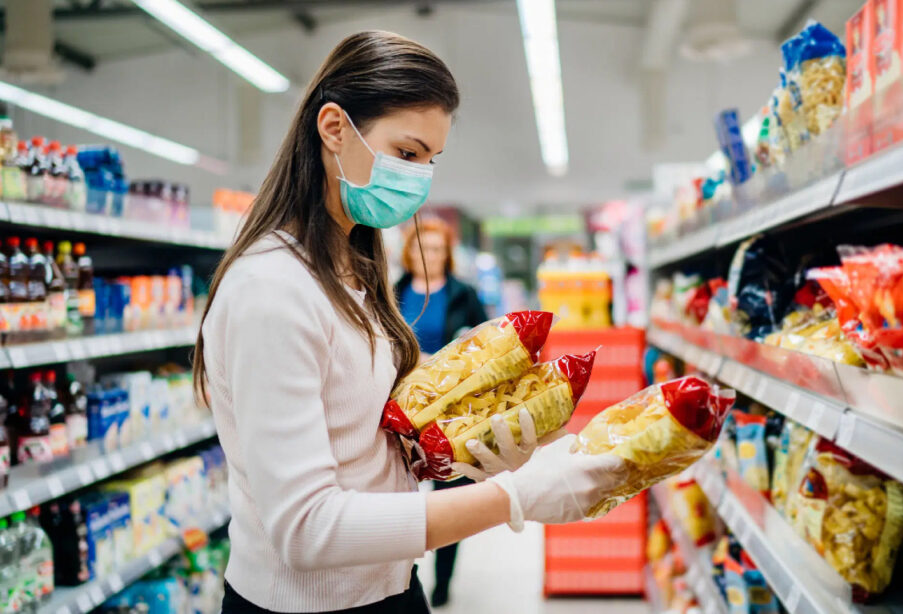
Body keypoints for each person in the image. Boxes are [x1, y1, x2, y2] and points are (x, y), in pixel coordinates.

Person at [193, 31, 623, 614]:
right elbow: (306, 528)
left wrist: (467, 444)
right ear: (334, 128)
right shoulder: (271, 290)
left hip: (390, 589)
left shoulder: (353, 269)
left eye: (431, 161)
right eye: (407, 153)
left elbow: (359, 436)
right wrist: (512, 498)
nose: (420, 179)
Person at [394, 218, 486, 607]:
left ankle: (443, 580)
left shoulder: (464, 294)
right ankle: (402, 571)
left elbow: (486, 344)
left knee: (449, 493)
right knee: (400, 493)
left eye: (435, 249)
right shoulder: (391, 290)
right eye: (421, 248)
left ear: (446, 255)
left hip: (451, 411)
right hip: (401, 409)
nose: (428, 255)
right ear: (409, 252)